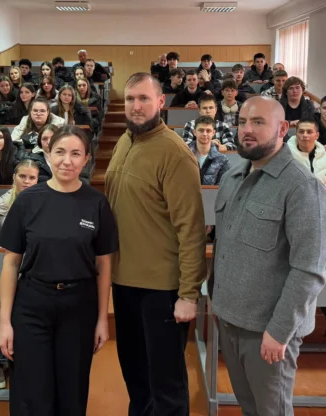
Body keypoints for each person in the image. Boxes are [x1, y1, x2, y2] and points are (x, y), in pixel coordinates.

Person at [210, 97, 326, 416]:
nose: (246, 130)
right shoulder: (232, 178)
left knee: (271, 411)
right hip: (231, 320)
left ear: (282, 129)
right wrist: (218, 302)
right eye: (242, 122)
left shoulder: (302, 187)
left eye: (258, 122)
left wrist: (279, 331)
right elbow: (225, 247)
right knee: (249, 407)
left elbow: (309, 271)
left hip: (268, 331)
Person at [0, 126, 118, 415]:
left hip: (79, 306)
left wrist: (102, 319)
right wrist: (4, 323)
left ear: (86, 159)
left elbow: (104, 265)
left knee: (72, 389)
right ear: (48, 154)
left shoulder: (97, 203)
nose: (67, 160)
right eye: (60, 152)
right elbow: (11, 263)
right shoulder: (27, 201)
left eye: (76, 154)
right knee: (32, 391)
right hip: (32, 304)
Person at [105, 73, 206, 416]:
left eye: (144, 98)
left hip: (162, 289)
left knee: (166, 384)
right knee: (136, 377)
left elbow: (191, 229)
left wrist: (188, 294)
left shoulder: (175, 153)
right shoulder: (124, 141)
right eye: (130, 99)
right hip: (125, 283)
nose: (136, 106)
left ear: (161, 102)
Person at [0, 159, 41, 391]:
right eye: (22, 177)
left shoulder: (43, 201)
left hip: (34, 268)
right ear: (14, 178)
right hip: (5, 265)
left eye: (32, 178)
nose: (27, 182)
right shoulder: (2, 203)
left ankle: (29, 361)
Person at [287, 118, 326, 249]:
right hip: (294, 211)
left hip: (323, 210)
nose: (305, 135)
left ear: (316, 135)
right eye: (301, 131)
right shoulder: (285, 158)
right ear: (296, 134)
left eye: (309, 132)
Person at [189, 116, 231, 185]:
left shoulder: (222, 160)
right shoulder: (184, 155)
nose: (204, 134)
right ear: (194, 132)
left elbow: (223, 186)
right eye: (201, 130)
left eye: (208, 131)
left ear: (213, 133)